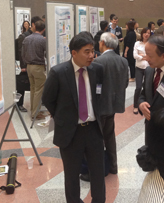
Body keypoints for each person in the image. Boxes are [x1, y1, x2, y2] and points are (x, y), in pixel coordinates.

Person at [42, 33, 105, 203]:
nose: (92, 55)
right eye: (87, 52)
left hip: (93, 130)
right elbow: (47, 99)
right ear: (74, 53)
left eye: (93, 51)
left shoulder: (97, 70)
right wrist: (63, 117)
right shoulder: (58, 73)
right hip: (71, 132)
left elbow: (100, 94)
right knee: (71, 175)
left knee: (98, 173)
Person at [94, 32, 129, 175]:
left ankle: (100, 169)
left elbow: (95, 86)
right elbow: (125, 83)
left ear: (102, 43)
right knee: (109, 136)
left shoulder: (98, 62)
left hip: (100, 105)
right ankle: (113, 166)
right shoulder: (123, 61)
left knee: (97, 138)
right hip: (114, 105)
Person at [21, 19, 46, 120]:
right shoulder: (43, 40)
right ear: (43, 29)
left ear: (34, 27)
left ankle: (33, 110)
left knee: (33, 88)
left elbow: (22, 54)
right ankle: (35, 113)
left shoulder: (26, 39)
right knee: (39, 90)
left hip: (29, 66)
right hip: (38, 66)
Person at [133, 27, 150, 114]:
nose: (146, 34)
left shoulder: (151, 44)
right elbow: (135, 55)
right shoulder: (137, 43)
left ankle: (146, 104)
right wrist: (143, 56)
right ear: (142, 33)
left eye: (148, 33)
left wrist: (142, 55)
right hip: (139, 68)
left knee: (147, 87)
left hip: (148, 68)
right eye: (145, 33)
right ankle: (135, 105)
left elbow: (150, 56)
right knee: (138, 87)